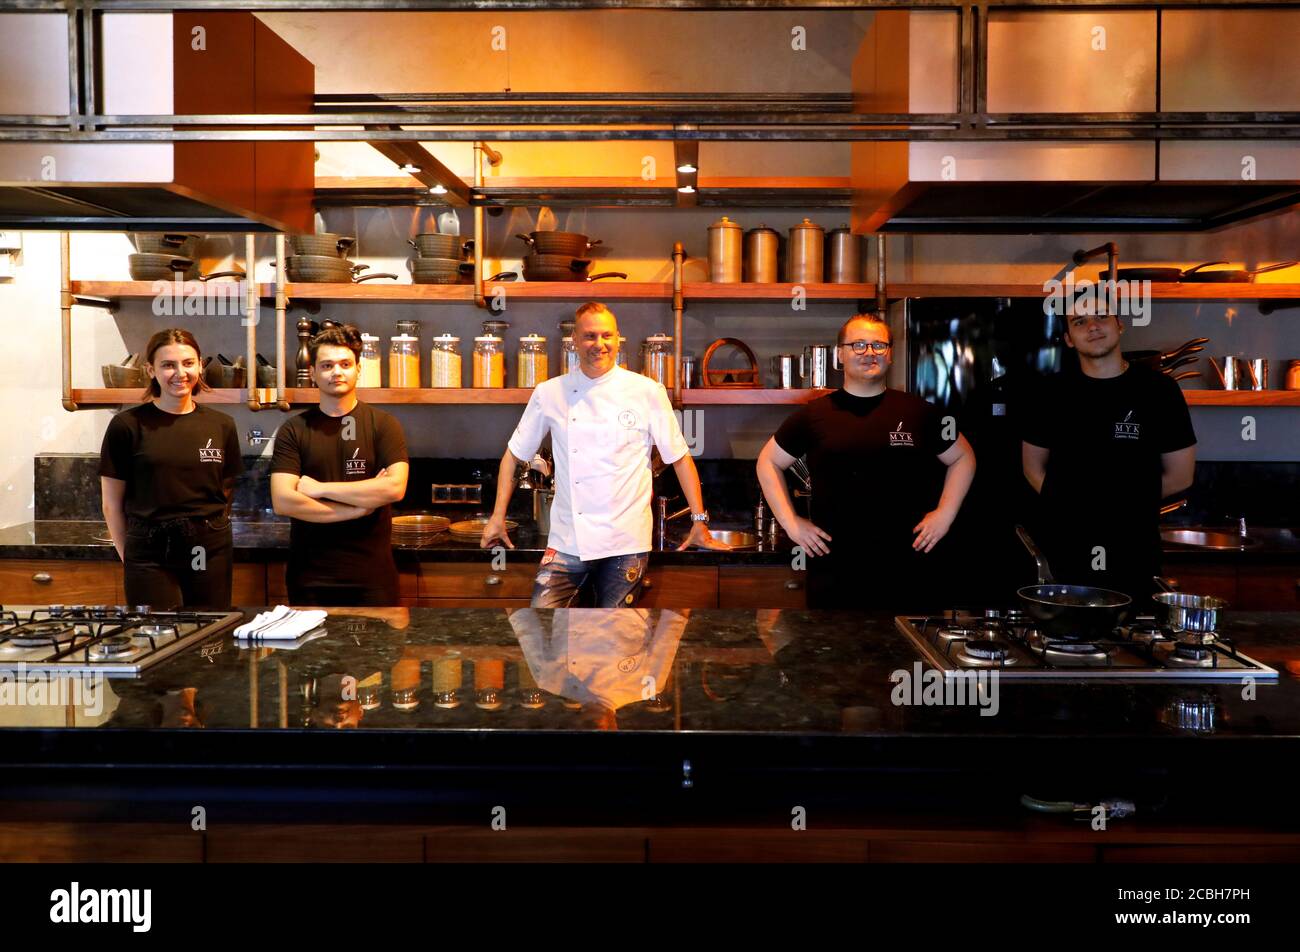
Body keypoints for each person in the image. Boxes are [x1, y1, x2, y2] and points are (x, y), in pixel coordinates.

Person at [481, 302, 724, 608]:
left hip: (626, 542)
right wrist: (497, 517)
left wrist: (699, 520)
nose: (599, 344)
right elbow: (514, 456)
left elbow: (679, 458)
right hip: (567, 540)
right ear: (574, 341)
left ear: (618, 339)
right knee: (541, 630)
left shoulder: (647, 391)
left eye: (606, 336)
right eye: (590, 336)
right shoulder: (550, 392)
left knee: (615, 641)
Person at [756, 313, 976, 611]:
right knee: (836, 654)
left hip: (909, 570)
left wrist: (944, 514)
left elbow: (963, 457)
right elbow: (768, 462)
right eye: (858, 345)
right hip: (835, 570)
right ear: (840, 355)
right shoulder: (813, 415)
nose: (869, 353)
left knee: (907, 655)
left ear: (890, 355)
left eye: (878, 345)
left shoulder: (920, 412)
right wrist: (792, 524)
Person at [1022, 308, 1196, 607]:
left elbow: (1181, 475)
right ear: (1068, 339)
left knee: (1135, 639)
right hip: (1065, 545)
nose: (1092, 326)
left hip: (1134, 546)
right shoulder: (1048, 392)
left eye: (1101, 317)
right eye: (1079, 322)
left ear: (1120, 325)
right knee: (1066, 639)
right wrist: (1067, 505)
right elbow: (1032, 466)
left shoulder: (1159, 391)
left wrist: (1122, 506)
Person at [100, 328, 242, 609]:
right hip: (149, 551)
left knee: (208, 638)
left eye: (188, 363)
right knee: (157, 637)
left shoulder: (222, 425)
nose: (180, 373)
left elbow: (225, 490)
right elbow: (111, 504)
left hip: (209, 548)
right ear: (150, 370)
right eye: (168, 365)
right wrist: (130, 557)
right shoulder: (127, 426)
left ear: (201, 365)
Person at [270, 324, 409, 606]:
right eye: (327, 365)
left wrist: (319, 489)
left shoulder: (383, 425)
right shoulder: (294, 429)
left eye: (345, 364)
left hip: (372, 577)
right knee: (313, 652)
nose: (337, 372)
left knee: (377, 652)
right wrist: (356, 509)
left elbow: (394, 488)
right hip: (309, 577)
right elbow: (284, 500)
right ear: (312, 374)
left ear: (359, 369)